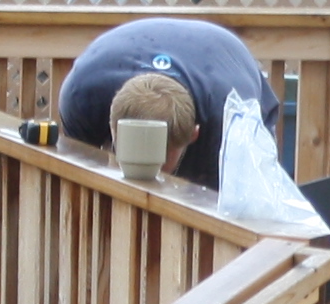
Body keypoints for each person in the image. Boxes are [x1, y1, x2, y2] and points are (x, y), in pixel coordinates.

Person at [53, 17, 281, 186]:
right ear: (111, 126)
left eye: (159, 164)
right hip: (116, 52)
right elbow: (78, 175)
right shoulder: (82, 96)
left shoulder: (233, 121)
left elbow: (243, 204)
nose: (147, 173)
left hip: (221, 60)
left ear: (193, 134)